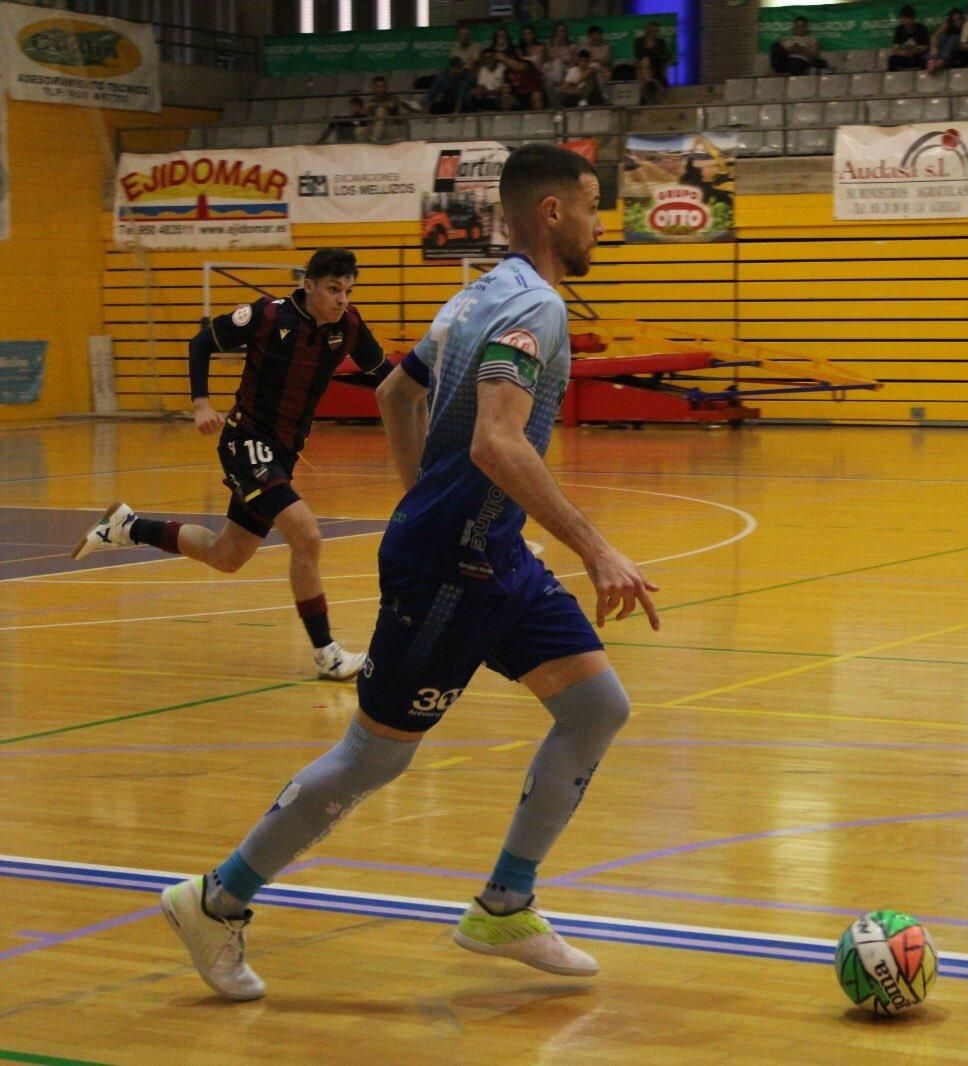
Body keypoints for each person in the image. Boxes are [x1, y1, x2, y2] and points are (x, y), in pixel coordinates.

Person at [159, 145, 661, 1002]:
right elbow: (496, 441)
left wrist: (430, 494)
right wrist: (595, 547)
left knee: (595, 707)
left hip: (493, 554)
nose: (599, 225)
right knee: (373, 758)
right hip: (447, 571)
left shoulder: (476, 294)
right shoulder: (534, 309)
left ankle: (505, 904)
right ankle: (216, 899)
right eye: (591, 207)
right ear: (551, 213)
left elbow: (397, 394)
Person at [74, 249, 391, 680]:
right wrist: (201, 404)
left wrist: (431, 389)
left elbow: (386, 377)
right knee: (307, 534)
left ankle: (129, 527)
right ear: (309, 285)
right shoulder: (267, 316)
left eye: (348, 291)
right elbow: (201, 341)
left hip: (282, 452)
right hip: (247, 441)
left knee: (226, 555)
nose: (341, 300)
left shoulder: (349, 326)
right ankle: (327, 654)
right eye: (334, 289)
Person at [366, 75, 420, 140]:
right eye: (378, 87)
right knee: (359, 131)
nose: (380, 89)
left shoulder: (392, 97)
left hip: (392, 127)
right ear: (374, 88)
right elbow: (369, 116)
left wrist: (374, 104)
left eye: (382, 86)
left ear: (386, 87)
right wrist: (370, 122)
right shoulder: (372, 101)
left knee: (381, 110)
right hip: (377, 128)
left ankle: (374, 139)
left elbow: (391, 105)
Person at [631, 21, 672, 89]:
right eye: (654, 31)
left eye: (657, 31)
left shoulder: (661, 42)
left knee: (649, 66)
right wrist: (645, 60)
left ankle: (652, 85)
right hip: (643, 66)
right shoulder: (639, 41)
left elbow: (667, 56)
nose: (656, 33)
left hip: (656, 65)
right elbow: (638, 54)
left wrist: (660, 58)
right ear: (648, 31)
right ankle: (649, 85)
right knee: (644, 64)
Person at [889, 6, 930, 71]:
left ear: (913, 18)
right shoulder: (899, 29)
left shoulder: (921, 28)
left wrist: (914, 49)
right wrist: (904, 52)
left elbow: (925, 47)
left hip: (917, 56)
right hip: (904, 56)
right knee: (892, 59)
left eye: (909, 18)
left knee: (925, 59)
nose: (907, 21)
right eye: (904, 19)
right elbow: (895, 48)